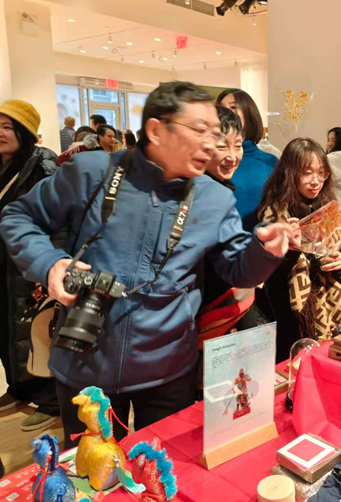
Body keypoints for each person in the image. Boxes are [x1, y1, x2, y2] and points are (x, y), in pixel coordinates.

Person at [0, 82, 292, 444]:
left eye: (214, 134)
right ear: (156, 129)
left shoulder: (214, 199)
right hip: (84, 363)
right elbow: (19, 217)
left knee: (162, 468)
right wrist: (49, 263)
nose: (210, 144)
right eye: (199, 130)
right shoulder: (90, 171)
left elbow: (237, 268)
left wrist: (263, 251)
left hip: (168, 370)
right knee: (95, 470)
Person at [258, 138, 341, 361]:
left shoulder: (328, 205)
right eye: (307, 173)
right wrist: (291, 248)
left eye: (321, 173)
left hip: (329, 303)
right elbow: (267, 276)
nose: (316, 181)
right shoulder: (273, 212)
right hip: (289, 311)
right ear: (290, 174)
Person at [0, 100, 60, 431]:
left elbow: (59, 222)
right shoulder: (4, 165)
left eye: (7, 127)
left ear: (25, 132)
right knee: (9, 329)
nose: (0, 133)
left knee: (39, 330)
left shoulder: (43, 166)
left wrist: (49, 266)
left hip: (32, 264)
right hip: (6, 264)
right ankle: (19, 387)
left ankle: (52, 401)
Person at [197, 105, 258, 342]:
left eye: (238, 145)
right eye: (222, 146)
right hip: (206, 310)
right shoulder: (201, 192)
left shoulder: (220, 188)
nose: (232, 156)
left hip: (223, 304)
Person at [216, 88, 278, 231]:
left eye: (233, 107)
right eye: (221, 108)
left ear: (249, 113)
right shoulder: (211, 160)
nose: (226, 113)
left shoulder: (271, 162)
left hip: (261, 241)